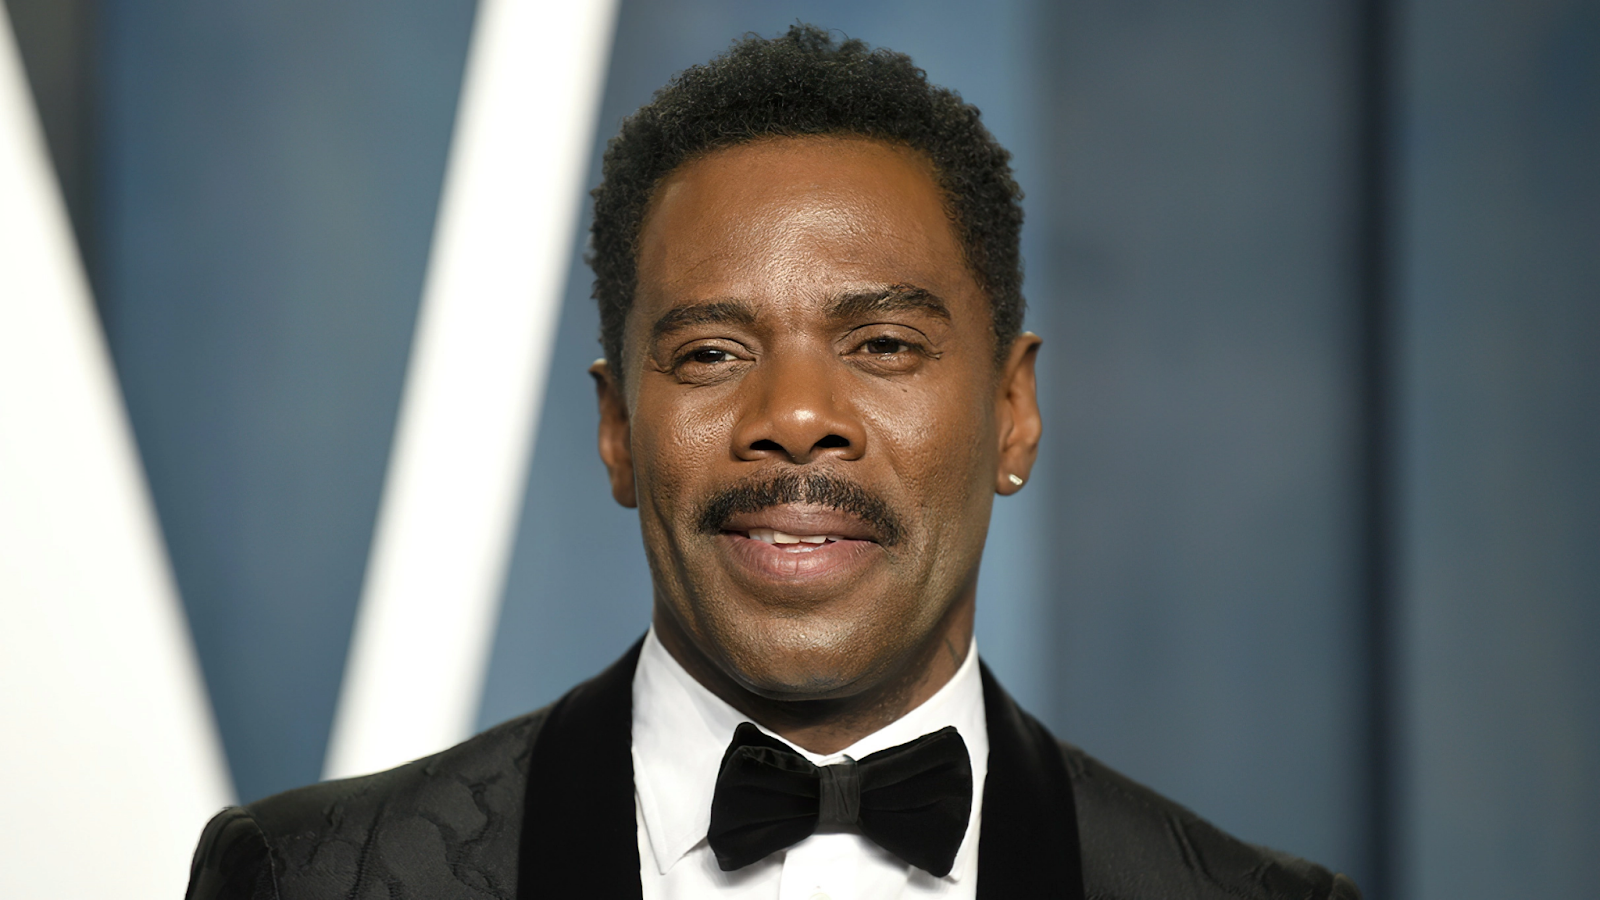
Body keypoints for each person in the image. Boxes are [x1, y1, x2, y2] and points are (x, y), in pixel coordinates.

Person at [186, 25, 1359, 900]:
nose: (795, 417)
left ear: (1012, 411)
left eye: (882, 344)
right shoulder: (304, 881)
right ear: (617, 430)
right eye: (710, 353)